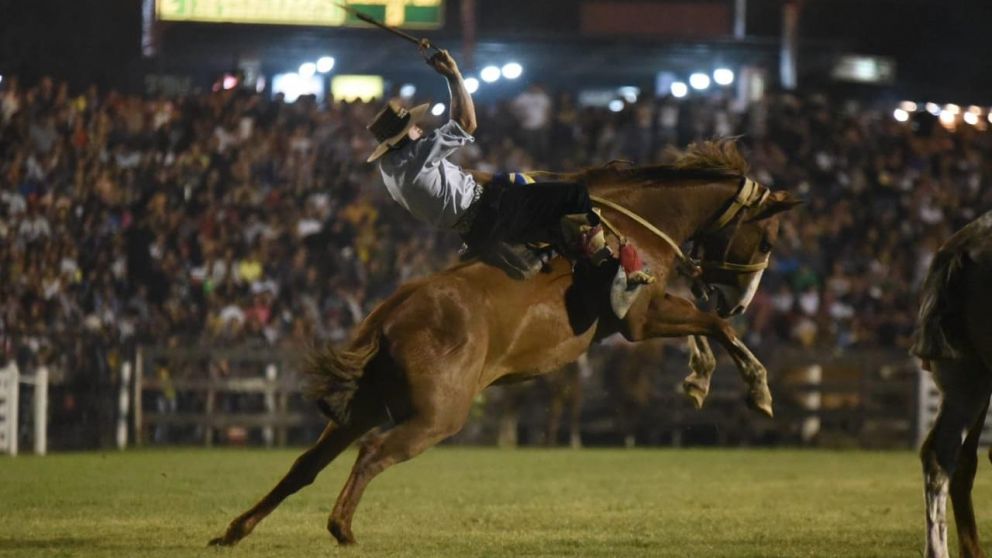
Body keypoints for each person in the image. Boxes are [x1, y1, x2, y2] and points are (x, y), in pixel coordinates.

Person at [366, 47, 653, 285]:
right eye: (413, 128)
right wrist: (454, 76)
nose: (418, 129)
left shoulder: (391, 168)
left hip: (472, 229)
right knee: (576, 195)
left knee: (520, 186)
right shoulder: (416, 155)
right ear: (405, 137)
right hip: (492, 212)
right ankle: (607, 271)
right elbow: (466, 124)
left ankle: (550, 253)